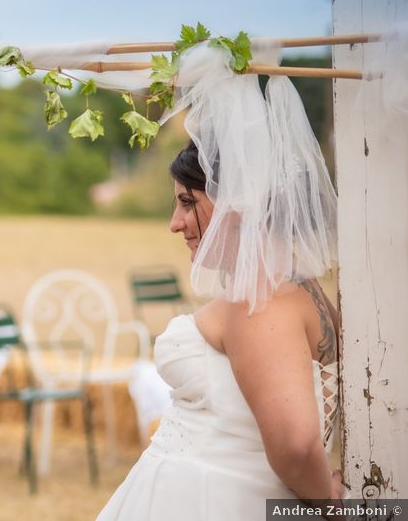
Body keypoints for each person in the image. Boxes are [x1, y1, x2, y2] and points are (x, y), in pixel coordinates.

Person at [97, 141, 345, 520]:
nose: (174, 223)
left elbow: (296, 445)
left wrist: (329, 508)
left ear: (237, 204)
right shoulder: (299, 286)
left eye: (187, 202)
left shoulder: (259, 301)